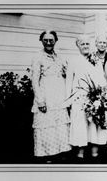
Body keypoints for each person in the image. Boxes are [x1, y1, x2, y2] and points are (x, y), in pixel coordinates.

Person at [31, 30, 71, 163]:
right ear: (41, 41)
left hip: (59, 95)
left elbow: (65, 74)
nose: (48, 42)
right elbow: (35, 80)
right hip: (46, 94)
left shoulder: (59, 57)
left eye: (51, 40)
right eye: (46, 40)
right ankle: (47, 154)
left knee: (59, 124)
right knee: (46, 124)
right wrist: (40, 100)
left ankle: (60, 152)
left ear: (55, 41)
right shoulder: (38, 57)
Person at [65, 35, 106, 159]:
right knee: (80, 123)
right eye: (82, 44)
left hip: (94, 96)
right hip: (78, 97)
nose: (85, 46)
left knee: (94, 123)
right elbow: (68, 81)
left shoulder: (96, 60)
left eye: (87, 44)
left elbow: (101, 79)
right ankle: (80, 151)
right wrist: (68, 100)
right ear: (78, 46)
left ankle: (94, 150)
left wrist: (101, 96)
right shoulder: (73, 61)